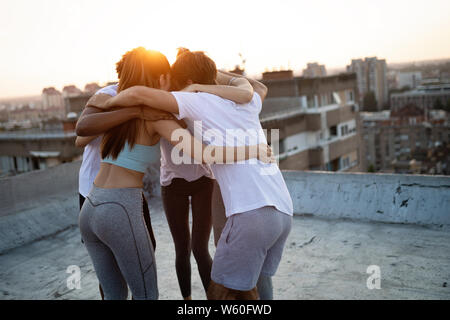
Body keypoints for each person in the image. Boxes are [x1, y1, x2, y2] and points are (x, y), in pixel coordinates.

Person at [77, 47, 272, 300]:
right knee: (147, 296)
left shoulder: (106, 105)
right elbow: (205, 154)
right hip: (119, 208)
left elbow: (82, 127)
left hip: (91, 207)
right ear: (160, 78)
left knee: (114, 295)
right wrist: (252, 149)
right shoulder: (156, 117)